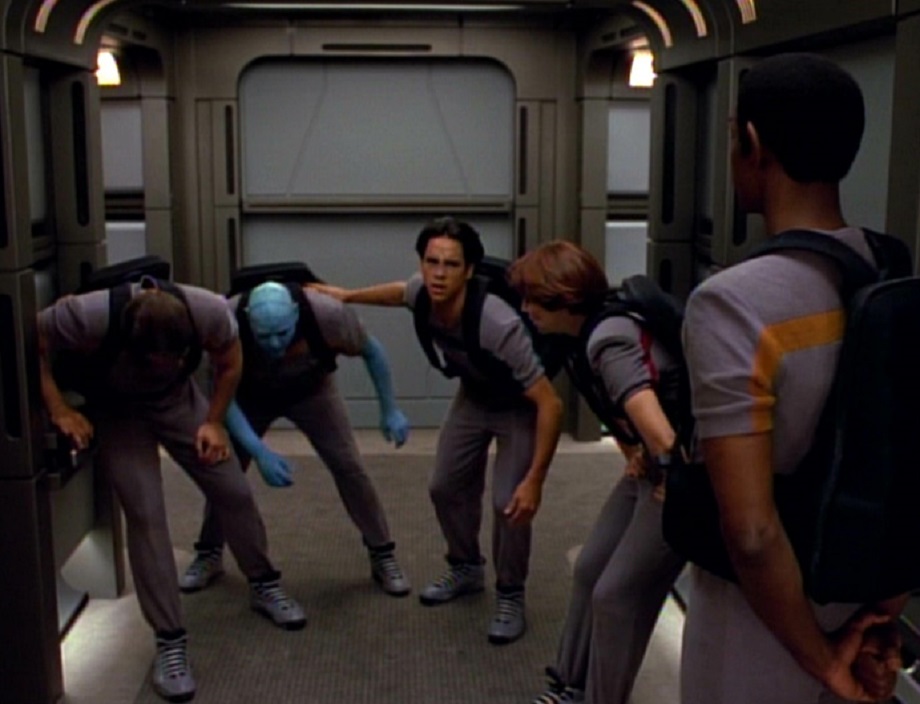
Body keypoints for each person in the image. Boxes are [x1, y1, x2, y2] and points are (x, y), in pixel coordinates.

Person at [680, 52, 905, 704]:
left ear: (753, 145)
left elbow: (751, 534)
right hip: (861, 588)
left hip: (762, 618)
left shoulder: (732, 303)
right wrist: (881, 612)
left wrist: (823, 661)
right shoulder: (890, 266)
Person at [38, 277, 306, 704]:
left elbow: (230, 362)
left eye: (175, 356)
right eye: (157, 358)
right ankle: (170, 640)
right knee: (146, 514)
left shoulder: (209, 313)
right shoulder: (85, 316)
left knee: (232, 488)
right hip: (118, 409)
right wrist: (59, 409)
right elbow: (30, 341)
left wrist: (214, 422)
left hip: (177, 401)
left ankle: (263, 583)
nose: (166, 362)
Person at [313, 216, 564, 645]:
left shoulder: (497, 323)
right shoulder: (423, 293)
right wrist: (346, 295)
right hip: (474, 397)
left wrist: (536, 480)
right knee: (444, 487)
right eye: (432, 262)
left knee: (510, 503)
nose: (439, 274)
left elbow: (550, 403)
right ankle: (465, 567)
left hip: (518, 406)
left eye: (451, 265)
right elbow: (399, 293)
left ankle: (510, 592)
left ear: (469, 270)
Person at [507, 241, 686, 704]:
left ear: (564, 298)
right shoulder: (578, 337)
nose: (525, 310)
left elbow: (658, 428)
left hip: (684, 475)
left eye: (533, 299)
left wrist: (673, 480)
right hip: (654, 465)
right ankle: (569, 685)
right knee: (590, 569)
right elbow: (619, 411)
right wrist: (633, 452)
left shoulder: (609, 339)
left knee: (616, 594)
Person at [179, 280, 412, 597]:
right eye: (264, 336)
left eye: (282, 333)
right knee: (225, 473)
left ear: (295, 313)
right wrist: (259, 451)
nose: (275, 344)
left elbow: (372, 351)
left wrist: (390, 409)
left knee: (349, 466)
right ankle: (209, 552)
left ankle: (382, 552)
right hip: (248, 396)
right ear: (248, 320)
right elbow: (222, 396)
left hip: (312, 392)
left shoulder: (328, 315)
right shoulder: (226, 322)